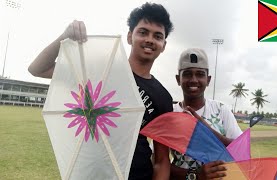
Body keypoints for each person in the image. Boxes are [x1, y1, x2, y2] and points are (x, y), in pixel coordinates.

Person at [28, 3, 174, 180]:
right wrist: (64, 36)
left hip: (137, 174)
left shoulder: (163, 97)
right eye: (143, 32)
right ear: (129, 36)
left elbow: (161, 159)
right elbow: (37, 69)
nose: (150, 39)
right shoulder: (100, 70)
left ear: (163, 45)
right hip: (91, 172)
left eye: (157, 36)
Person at [170, 48, 243, 180]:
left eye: (200, 74)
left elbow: (241, 152)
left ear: (208, 80)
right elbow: (158, 162)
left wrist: (206, 130)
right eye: (187, 74)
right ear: (178, 79)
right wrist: (195, 175)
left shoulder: (221, 110)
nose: (193, 79)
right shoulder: (170, 113)